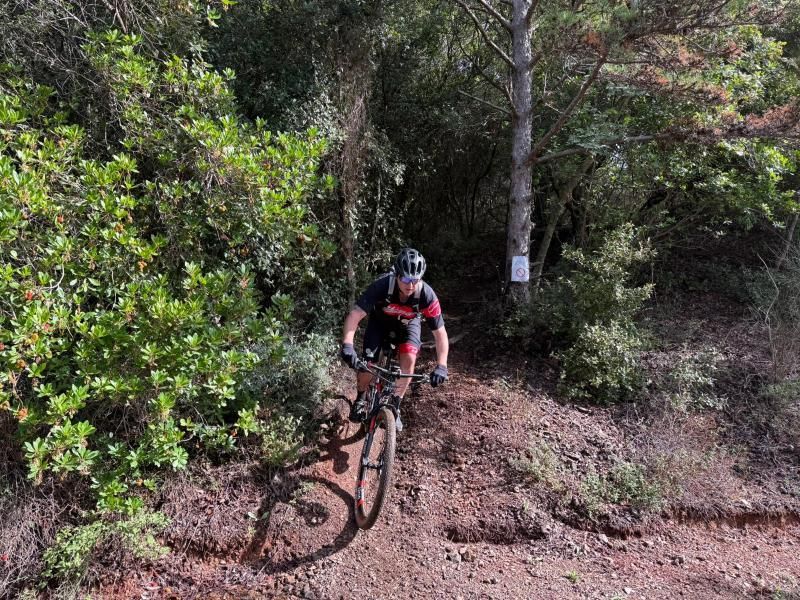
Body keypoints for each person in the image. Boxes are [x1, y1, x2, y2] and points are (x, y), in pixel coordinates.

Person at [340, 248, 449, 429]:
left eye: (415, 280)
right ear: (397, 275)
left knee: (409, 360)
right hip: (379, 323)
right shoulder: (382, 285)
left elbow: (440, 333)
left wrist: (442, 366)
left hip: (408, 325)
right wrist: (347, 345)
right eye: (405, 279)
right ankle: (361, 398)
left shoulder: (426, 295)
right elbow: (355, 315)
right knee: (369, 364)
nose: (410, 285)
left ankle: (395, 404)